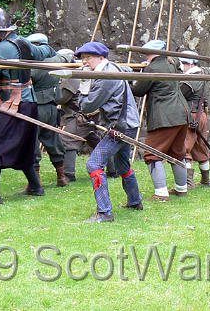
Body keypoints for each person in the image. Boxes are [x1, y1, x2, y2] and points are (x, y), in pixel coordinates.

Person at [0, 7, 49, 205]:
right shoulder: (24, 42)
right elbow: (44, 51)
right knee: (25, 147)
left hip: (12, 105)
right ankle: (35, 186)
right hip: (29, 103)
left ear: (4, 31)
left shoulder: (0, 50)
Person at [75, 41, 143, 222]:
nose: (85, 62)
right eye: (83, 58)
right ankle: (135, 201)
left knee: (93, 165)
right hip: (128, 124)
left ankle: (105, 212)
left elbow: (88, 106)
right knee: (122, 166)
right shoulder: (113, 68)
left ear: (102, 57)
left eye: (88, 58)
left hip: (120, 127)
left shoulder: (106, 76)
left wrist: (83, 84)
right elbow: (128, 72)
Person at [131, 39, 194, 201]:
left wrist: (130, 77)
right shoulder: (171, 62)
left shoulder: (153, 68)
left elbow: (138, 90)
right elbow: (178, 60)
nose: (146, 55)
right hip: (182, 113)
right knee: (177, 153)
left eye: (147, 53)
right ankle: (181, 188)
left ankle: (161, 193)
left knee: (152, 153)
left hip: (166, 116)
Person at [26, 34, 71, 187]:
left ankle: (35, 182)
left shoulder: (34, 64)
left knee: (32, 142)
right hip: (52, 108)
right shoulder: (57, 59)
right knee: (52, 140)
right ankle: (62, 177)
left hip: (36, 108)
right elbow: (67, 56)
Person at [178, 51, 210, 189]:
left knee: (184, 147)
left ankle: (188, 182)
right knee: (200, 146)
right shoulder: (203, 74)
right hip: (201, 114)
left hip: (192, 116)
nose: (182, 67)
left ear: (190, 64)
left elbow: (180, 95)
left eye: (184, 63)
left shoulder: (191, 79)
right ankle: (206, 180)